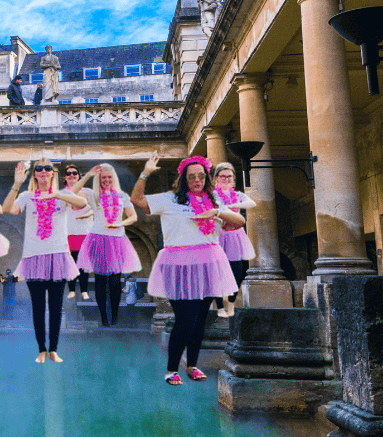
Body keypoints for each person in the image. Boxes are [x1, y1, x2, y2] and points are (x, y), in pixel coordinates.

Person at [130, 153, 244, 385]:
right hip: (178, 265)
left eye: (201, 175)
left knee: (201, 318)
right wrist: (146, 173)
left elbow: (239, 221)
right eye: (191, 176)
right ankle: (172, 369)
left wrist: (216, 212)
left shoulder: (214, 201)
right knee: (185, 319)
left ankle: (192, 364)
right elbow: (137, 200)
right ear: (183, 179)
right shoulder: (170, 199)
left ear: (206, 178)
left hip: (208, 264)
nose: (196, 180)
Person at [3, 159, 88, 363]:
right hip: (33, 257)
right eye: (39, 168)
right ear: (34, 174)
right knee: (38, 306)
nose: (43, 171)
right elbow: (8, 209)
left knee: (56, 307)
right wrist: (16, 184)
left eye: (47, 168)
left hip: (58, 256)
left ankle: (54, 350)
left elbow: (83, 204)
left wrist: (58, 194)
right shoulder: (27, 196)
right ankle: (41, 349)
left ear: (53, 173)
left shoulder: (63, 195)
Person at [71, 164, 142, 326]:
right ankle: (103, 316)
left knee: (115, 281)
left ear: (114, 178)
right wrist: (88, 174)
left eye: (109, 177)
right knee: (100, 280)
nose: (107, 180)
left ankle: (115, 315)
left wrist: (120, 223)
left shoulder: (122, 195)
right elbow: (73, 191)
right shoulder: (93, 195)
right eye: (104, 178)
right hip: (98, 239)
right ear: (99, 180)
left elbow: (133, 217)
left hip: (117, 240)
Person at [212, 162, 256, 318]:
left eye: (229, 176)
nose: (226, 179)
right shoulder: (213, 195)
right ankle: (219, 308)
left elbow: (252, 203)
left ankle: (230, 304)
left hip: (235, 236)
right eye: (222, 176)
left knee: (237, 272)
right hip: (218, 235)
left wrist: (234, 204)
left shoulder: (237, 195)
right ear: (216, 178)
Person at [61, 165, 92, 300]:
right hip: (68, 232)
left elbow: (98, 208)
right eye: (69, 173)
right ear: (65, 178)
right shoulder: (61, 193)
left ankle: (84, 290)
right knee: (70, 262)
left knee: (83, 262)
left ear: (79, 176)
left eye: (75, 173)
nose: (72, 175)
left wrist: (86, 215)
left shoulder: (88, 192)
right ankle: (72, 289)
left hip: (85, 231)